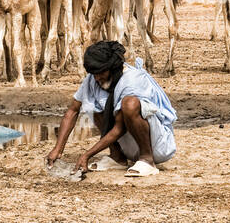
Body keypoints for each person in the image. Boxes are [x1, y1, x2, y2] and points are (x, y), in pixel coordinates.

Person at [47, 41, 177, 177]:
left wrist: (87, 155)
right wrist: (58, 149)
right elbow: (73, 111)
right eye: (94, 73)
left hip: (156, 145)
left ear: (113, 68)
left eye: (100, 72)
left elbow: (119, 128)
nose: (97, 78)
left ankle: (147, 160)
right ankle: (117, 158)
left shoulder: (132, 80)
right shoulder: (93, 79)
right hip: (129, 144)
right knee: (92, 104)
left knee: (130, 104)